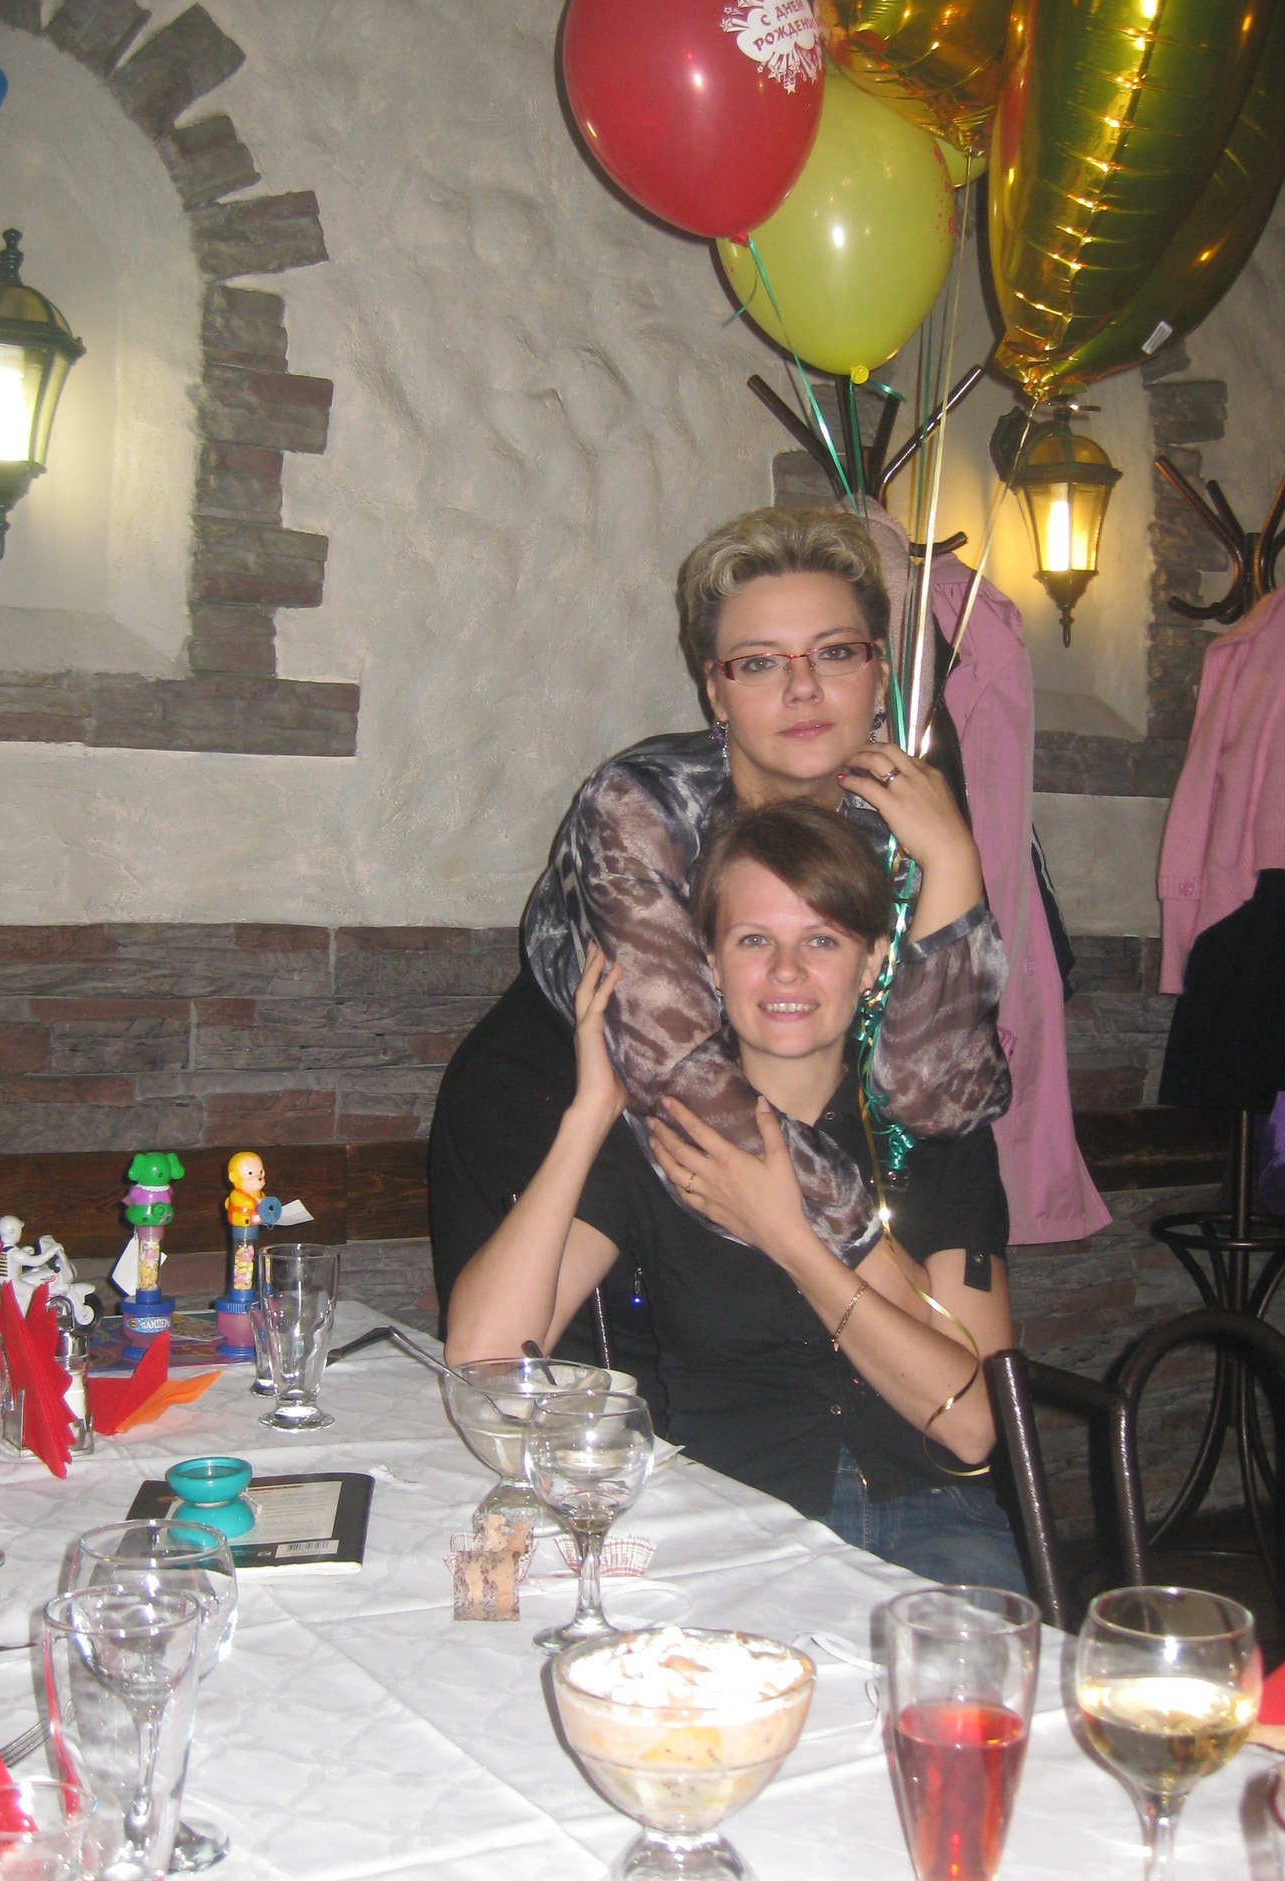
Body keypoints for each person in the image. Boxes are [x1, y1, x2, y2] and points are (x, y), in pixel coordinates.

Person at [428, 509, 1012, 1378]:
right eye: (760, 663)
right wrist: (870, 1260)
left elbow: (936, 1104)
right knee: (561, 1407)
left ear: (880, 672)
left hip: (770, 1150)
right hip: (570, 1125)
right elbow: (676, 1069)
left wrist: (956, 864)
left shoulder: (904, 818)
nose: (803, 689)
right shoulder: (641, 804)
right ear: (715, 691)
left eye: (835, 653)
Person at [446, 801, 1026, 1589]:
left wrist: (789, 1238)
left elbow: (971, 1423)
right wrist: (591, 1113)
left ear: (871, 964)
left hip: (934, 1524)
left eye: (821, 940)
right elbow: (483, 1356)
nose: (786, 971)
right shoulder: (668, 1140)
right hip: (735, 1526)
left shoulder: (933, 1135)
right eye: (754, 940)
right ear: (711, 968)